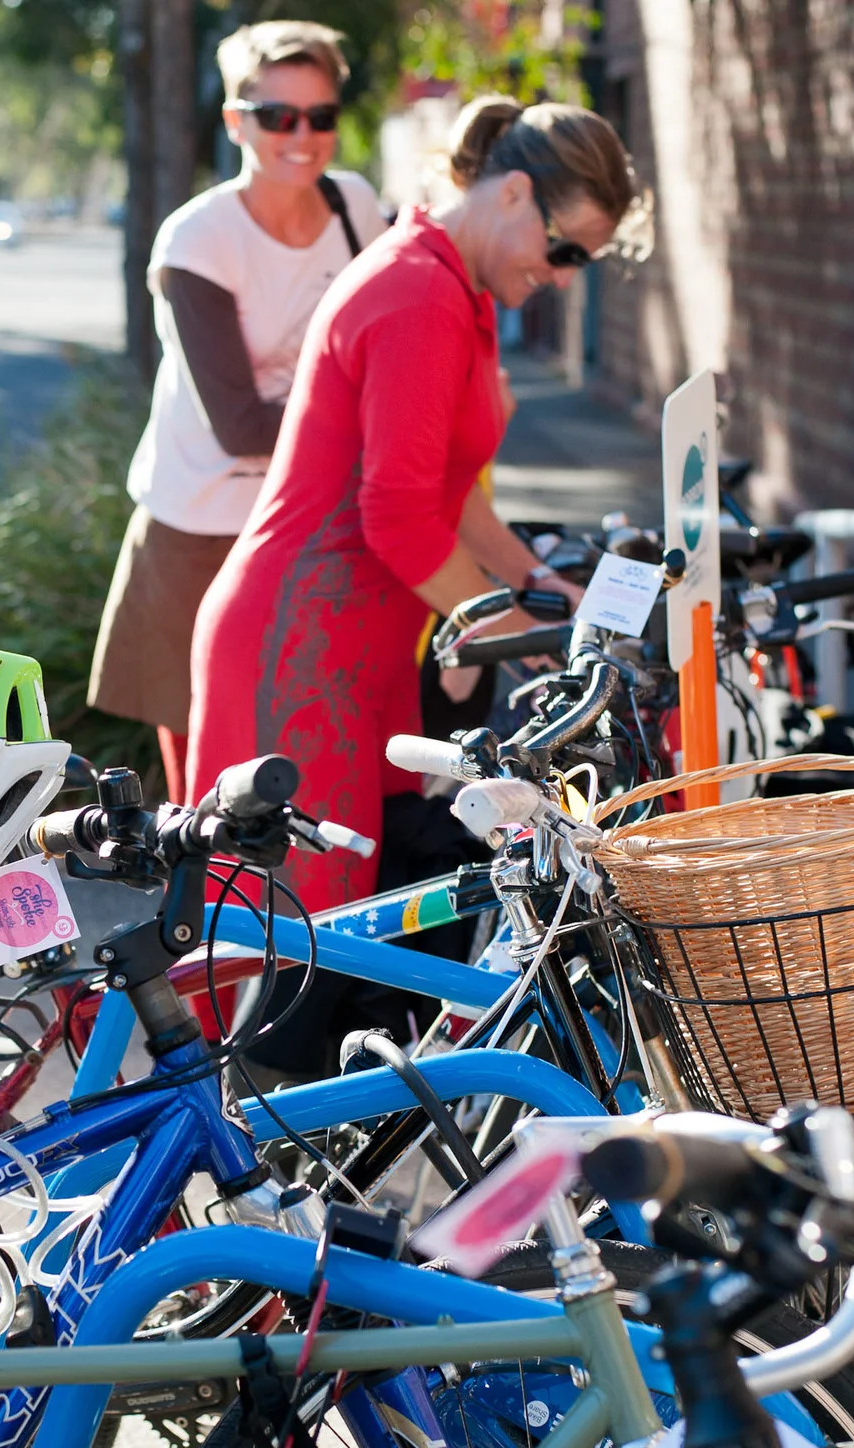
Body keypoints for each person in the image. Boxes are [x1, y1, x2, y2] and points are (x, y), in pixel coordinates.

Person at [185, 96, 639, 913]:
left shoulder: (461, 288)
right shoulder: (421, 295)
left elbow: (447, 492)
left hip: (348, 647)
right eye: (564, 247)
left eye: (583, 262)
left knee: (348, 938)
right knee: (291, 953)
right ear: (512, 194)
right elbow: (395, 513)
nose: (565, 275)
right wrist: (512, 630)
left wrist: (546, 593)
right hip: (297, 645)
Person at [88, 20, 388, 802]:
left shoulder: (356, 208)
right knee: (207, 785)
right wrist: (365, 415)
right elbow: (242, 427)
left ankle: (306, 920)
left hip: (313, 519)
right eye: (277, 116)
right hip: (201, 525)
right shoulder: (199, 239)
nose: (302, 136)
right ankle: (211, 923)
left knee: (310, 749)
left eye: (320, 116)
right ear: (236, 121)